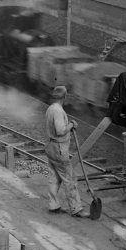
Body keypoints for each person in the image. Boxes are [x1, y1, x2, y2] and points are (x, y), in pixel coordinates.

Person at [44, 86, 86, 217]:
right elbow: (60, 130)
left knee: (54, 178)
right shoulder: (57, 111)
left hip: (50, 146)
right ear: (64, 97)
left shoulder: (50, 108)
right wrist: (72, 125)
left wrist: (69, 124)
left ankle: (53, 205)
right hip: (59, 149)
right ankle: (76, 209)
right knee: (70, 178)